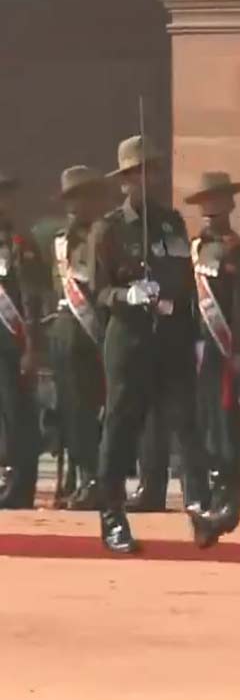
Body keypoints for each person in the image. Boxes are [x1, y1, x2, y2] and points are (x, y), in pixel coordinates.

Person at [89, 135, 208, 553]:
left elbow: (188, 281)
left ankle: (200, 508)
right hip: (131, 338)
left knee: (186, 425)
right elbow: (98, 292)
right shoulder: (108, 228)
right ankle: (112, 516)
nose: (147, 179)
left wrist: (195, 334)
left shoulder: (172, 222)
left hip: (172, 336)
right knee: (121, 428)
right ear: (124, 181)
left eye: (152, 171)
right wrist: (127, 296)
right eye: (137, 173)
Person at [183, 172, 240, 547]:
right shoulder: (194, 247)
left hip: (221, 348)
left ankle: (229, 500)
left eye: (217, 202)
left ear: (229, 205)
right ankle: (204, 504)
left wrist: (239, 347)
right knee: (201, 424)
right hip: (195, 348)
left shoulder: (235, 249)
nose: (210, 210)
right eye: (205, 204)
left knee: (225, 425)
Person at [47, 166, 110, 511]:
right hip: (64, 333)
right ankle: (76, 477)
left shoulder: (103, 234)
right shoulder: (59, 239)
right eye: (71, 198)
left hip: (93, 334)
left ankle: (92, 479)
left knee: (89, 412)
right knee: (68, 412)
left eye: (82, 197)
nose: (75, 205)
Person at [0, 172, 45, 509]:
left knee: (18, 416)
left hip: (15, 344)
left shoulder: (19, 244)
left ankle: (20, 487)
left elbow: (31, 298)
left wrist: (31, 347)